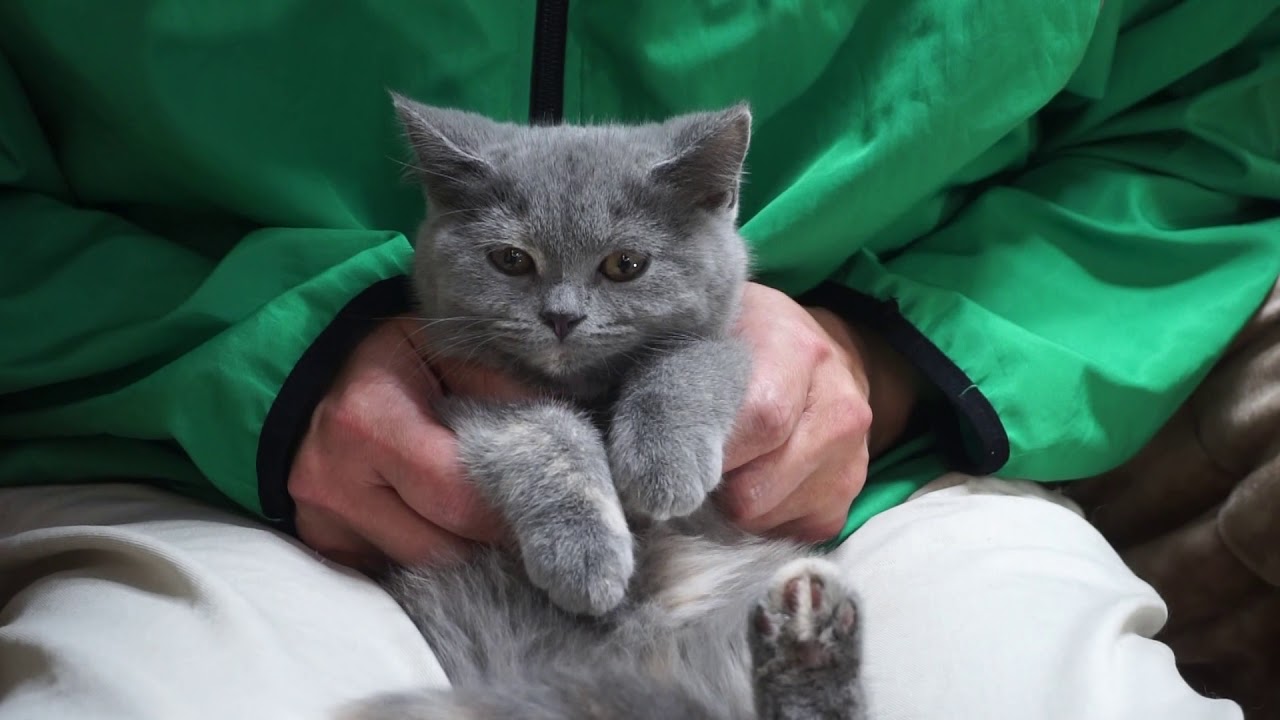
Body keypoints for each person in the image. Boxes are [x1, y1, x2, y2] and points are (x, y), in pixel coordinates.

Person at [1, 2, 1276, 718]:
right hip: (187, 458)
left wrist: (896, 348)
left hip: (859, 471)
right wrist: (247, 362)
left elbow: (1221, 115)